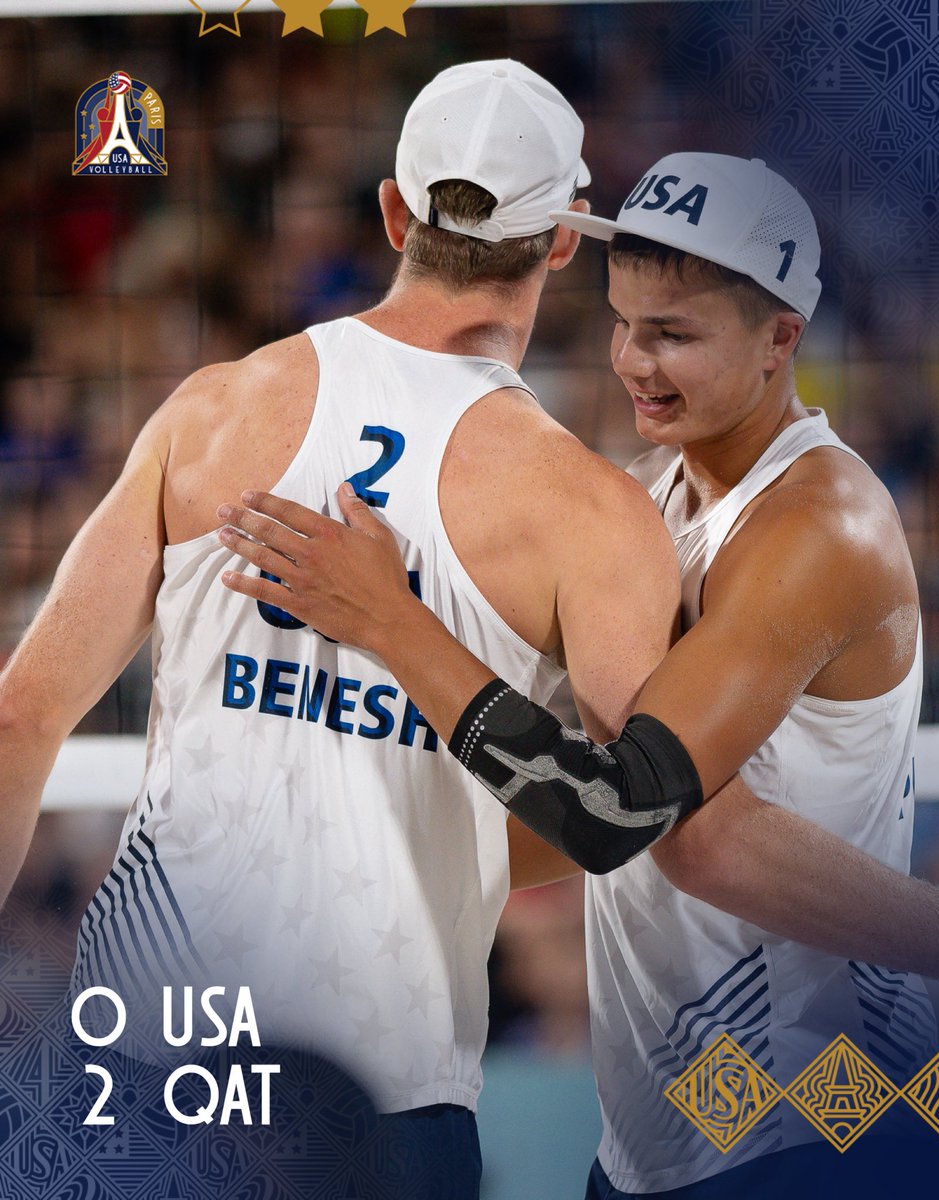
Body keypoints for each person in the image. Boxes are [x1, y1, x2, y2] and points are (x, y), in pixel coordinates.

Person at [0, 59, 690, 1197]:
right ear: (564, 241)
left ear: (391, 211)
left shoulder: (215, 407)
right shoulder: (594, 513)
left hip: (146, 1057)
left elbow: (23, 716)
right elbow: (618, 814)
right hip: (385, 1084)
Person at [217, 152, 939, 1196]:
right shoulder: (657, 502)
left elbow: (637, 818)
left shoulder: (820, 525)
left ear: (780, 339)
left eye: (674, 334)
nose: (632, 360)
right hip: (667, 1133)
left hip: (829, 1113)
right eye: (622, 321)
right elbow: (560, 792)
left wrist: (393, 622)